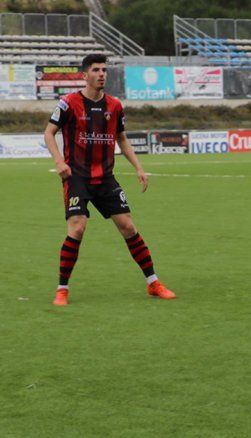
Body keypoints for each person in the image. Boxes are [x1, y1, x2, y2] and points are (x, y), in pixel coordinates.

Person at [43, 54, 176, 306]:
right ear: (85, 75)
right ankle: (62, 289)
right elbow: (49, 132)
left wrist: (139, 168)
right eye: (96, 69)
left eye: (104, 69)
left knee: (128, 226)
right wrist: (59, 161)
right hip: (77, 177)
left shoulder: (114, 106)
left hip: (105, 178)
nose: (102, 73)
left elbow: (122, 139)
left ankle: (153, 282)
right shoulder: (68, 103)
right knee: (78, 227)